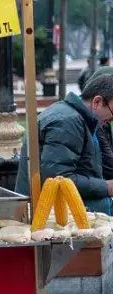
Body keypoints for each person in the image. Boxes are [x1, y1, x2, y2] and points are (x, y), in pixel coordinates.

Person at [17, 73, 113, 213]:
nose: (111, 120)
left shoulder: (79, 119)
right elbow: (57, 179)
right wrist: (107, 187)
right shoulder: (67, 122)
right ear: (97, 102)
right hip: (53, 215)